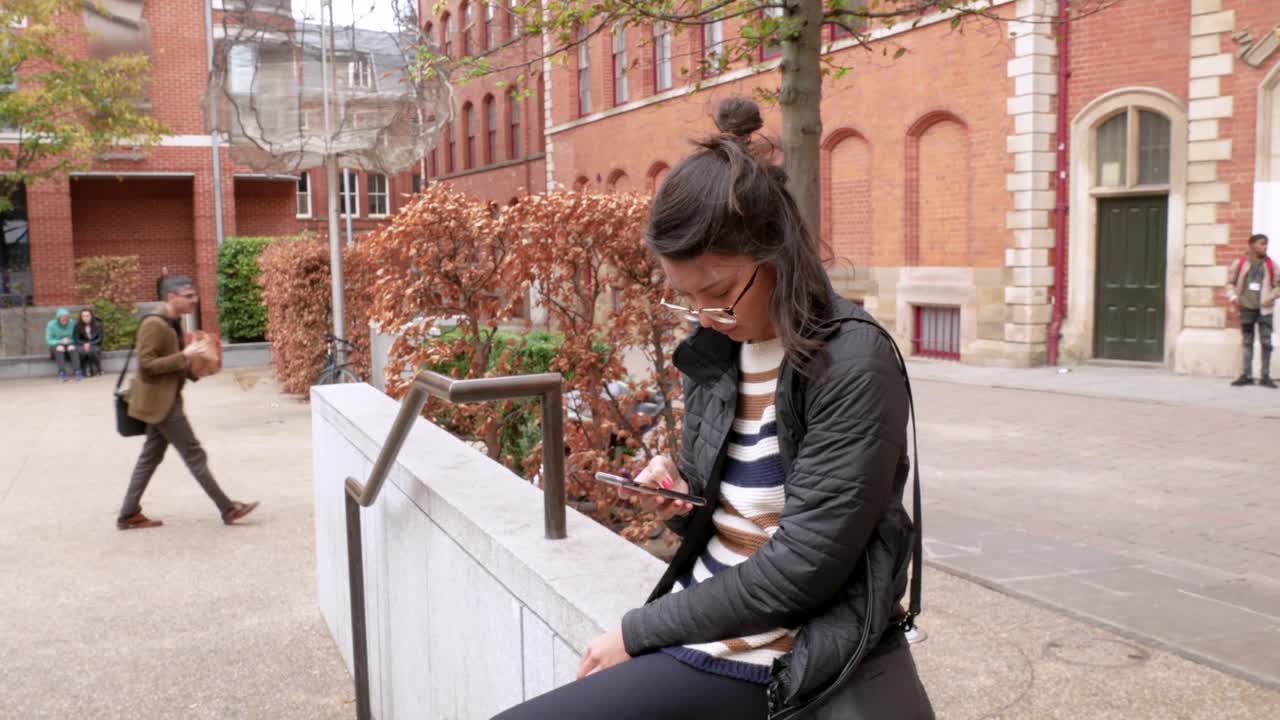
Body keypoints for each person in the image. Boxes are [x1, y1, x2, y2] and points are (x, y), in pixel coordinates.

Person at [494, 99, 933, 720]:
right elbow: (734, 516)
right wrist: (681, 502)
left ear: (777, 254)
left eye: (720, 292)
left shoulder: (852, 361)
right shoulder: (717, 351)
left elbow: (801, 570)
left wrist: (638, 631)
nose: (704, 316)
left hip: (783, 656)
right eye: (687, 298)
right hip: (709, 627)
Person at [117, 275, 259, 530]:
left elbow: (174, 363)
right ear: (172, 297)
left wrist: (199, 370)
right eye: (189, 296)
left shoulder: (174, 322)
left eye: (195, 295)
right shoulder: (154, 324)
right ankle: (228, 508)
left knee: (150, 457)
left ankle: (128, 514)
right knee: (194, 454)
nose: (195, 300)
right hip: (161, 404)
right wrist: (184, 355)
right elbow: (146, 366)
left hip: (165, 399)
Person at [1226, 233, 1277, 388]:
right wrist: (1233, 297)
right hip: (1246, 308)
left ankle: (1265, 376)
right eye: (1262, 243)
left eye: (1266, 244)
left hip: (1265, 310)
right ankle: (1246, 375)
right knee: (1247, 342)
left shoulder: (1271, 265)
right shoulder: (1240, 263)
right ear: (1252, 245)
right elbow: (1230, 283)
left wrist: (1270, 297)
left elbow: (1278, 285)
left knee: (1266, 343)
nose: (1265, 246)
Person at [45, 308, 82, 382]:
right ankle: (62, 372)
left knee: (73, 348)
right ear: (58, 318)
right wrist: (60, 342)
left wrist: (70, 342)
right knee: (60, 348)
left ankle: (77, 371)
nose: (65, 321)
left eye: (66, 319)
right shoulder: (51, 324)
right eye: (62, 319)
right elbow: (49, 340)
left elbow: (76, 337)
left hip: (69, 344)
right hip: (56, 345)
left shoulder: (73, 323)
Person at [74, 307, 104, 377]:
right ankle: (84, 370)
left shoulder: (98, 324)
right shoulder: (77, 326)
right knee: (82, 351)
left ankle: (98, 369)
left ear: (91, 316)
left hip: (95, 344)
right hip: (82, 344)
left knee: (91, 351)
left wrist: (89, 344)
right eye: (83, 316)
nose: (85, 318)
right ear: (81, 317)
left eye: (87, 316)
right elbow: (76, 339)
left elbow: (100, 339)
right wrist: (84, 344)